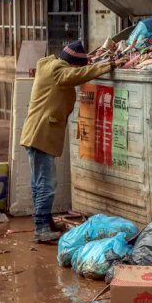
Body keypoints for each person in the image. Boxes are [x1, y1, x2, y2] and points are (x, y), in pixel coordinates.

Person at [20, 41, 125, 243]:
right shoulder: (59, 71)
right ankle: (41, 228)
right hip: (41, 134)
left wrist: (89, 62)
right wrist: (107, 65)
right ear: (72, 64)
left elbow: (74, 71)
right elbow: (74, 76)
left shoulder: (49, 64)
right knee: (46, 184)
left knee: (39, 182)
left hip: (36, 133)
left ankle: (44, 221)